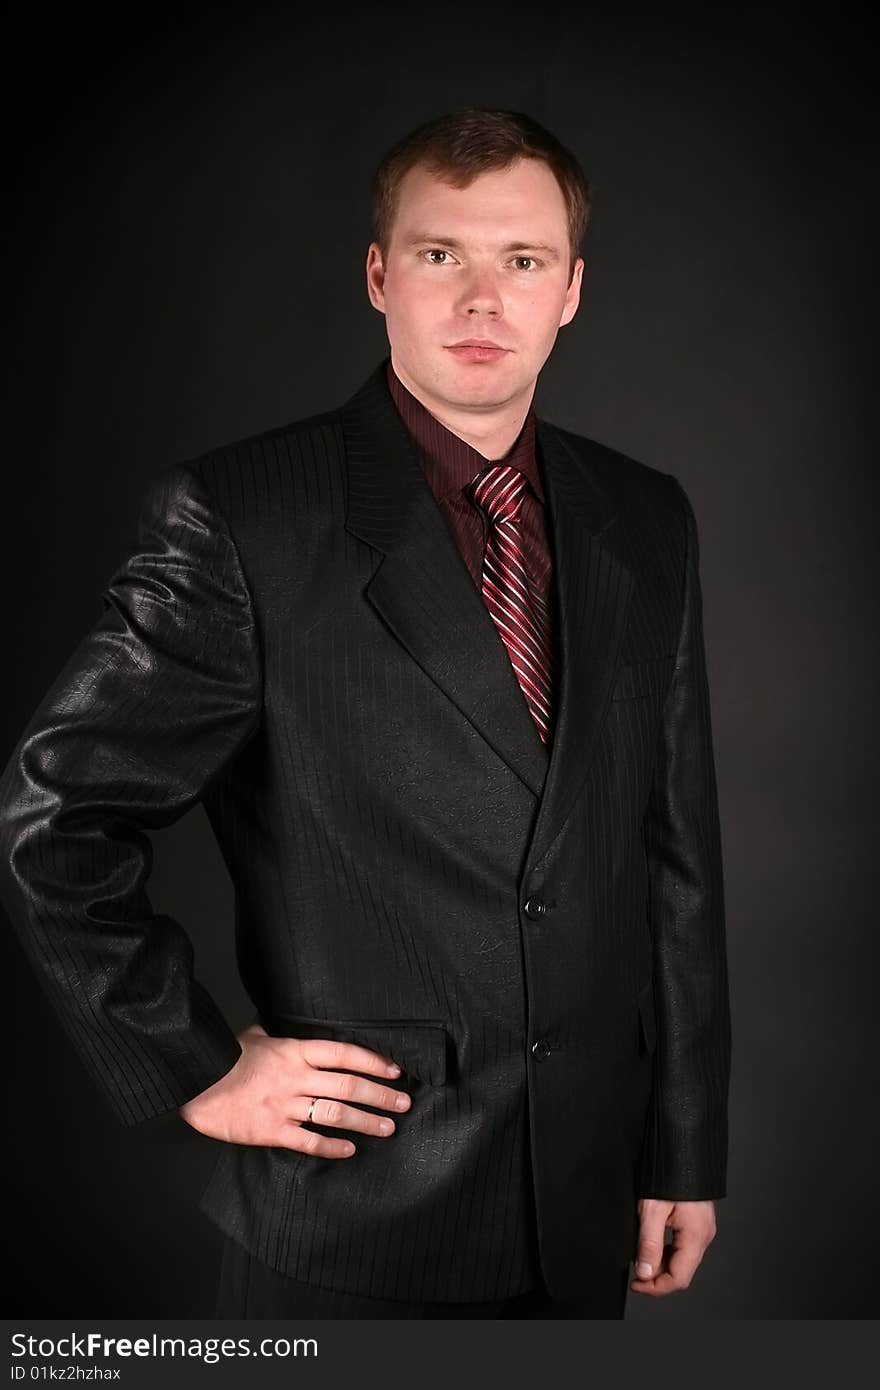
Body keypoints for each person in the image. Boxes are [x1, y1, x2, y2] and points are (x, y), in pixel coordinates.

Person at [0, 108, 731, 1320]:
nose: (483, 298)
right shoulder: (245, 515)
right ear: (381, 275)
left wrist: (685, 1148)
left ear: (573, 291)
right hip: (354, 1214)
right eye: (443, 255)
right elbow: (52, 812)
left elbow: (675, 855)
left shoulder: (646, 517)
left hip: (589, 1194)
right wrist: (193, 1064)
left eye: (523, 261)